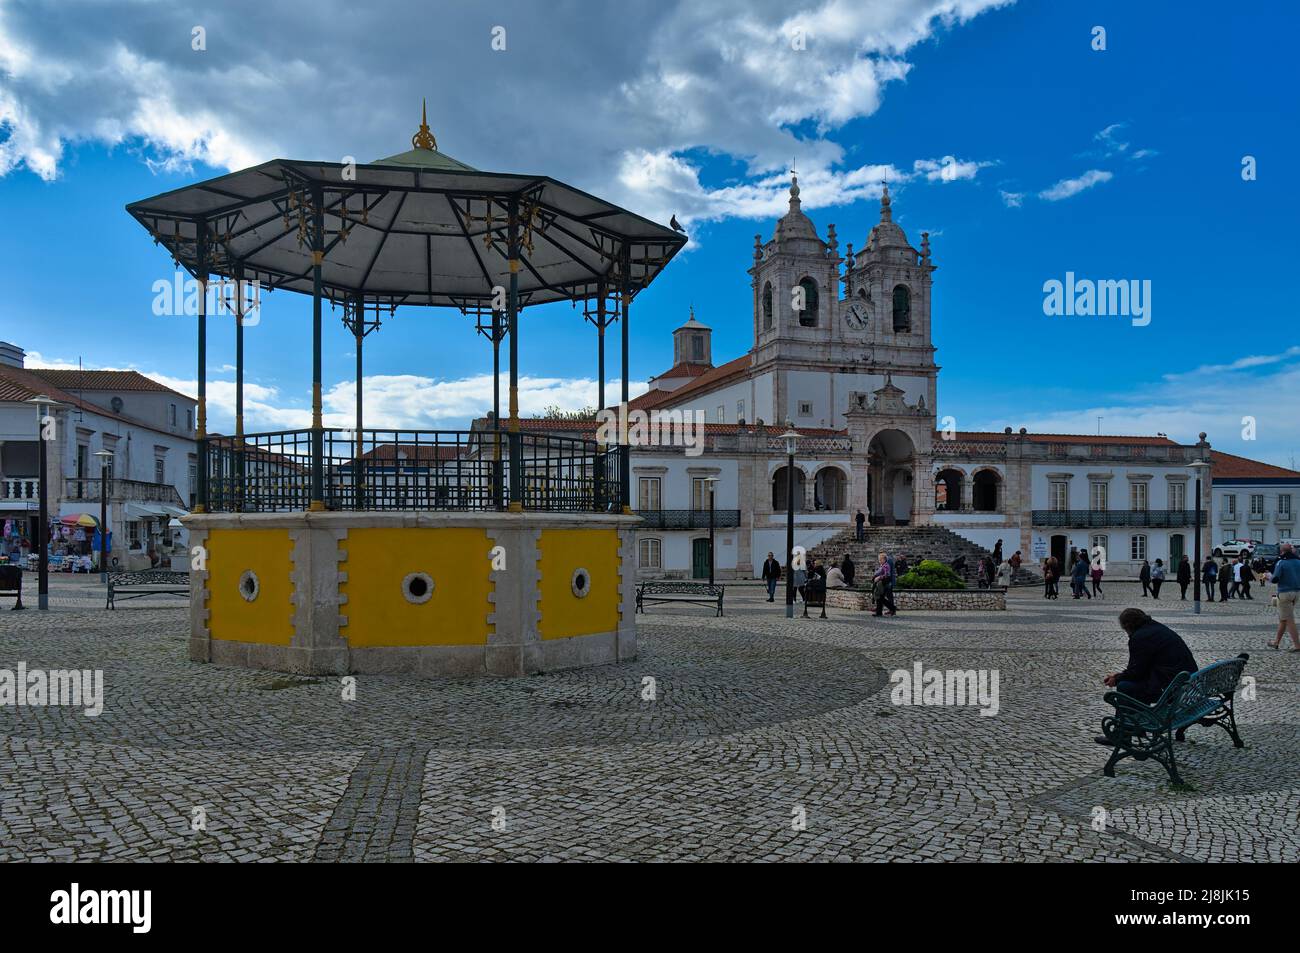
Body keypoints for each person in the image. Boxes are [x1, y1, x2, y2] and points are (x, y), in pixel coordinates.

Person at [1101, 608, 1199, 706]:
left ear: (1127, 626)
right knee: (1135, 684)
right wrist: (1118, 676)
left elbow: (1136, 673)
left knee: (1124, 686)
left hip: (1173, 687)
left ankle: (1129, 719)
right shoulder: (1156, 628)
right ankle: (1139, 717)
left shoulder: (1140, 637)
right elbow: (1140, 668)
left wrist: (1117, 679)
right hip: (1187, 681)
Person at [1264, 542, 1300, 651]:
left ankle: (1297, 645)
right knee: (1283, 619)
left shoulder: (1281, 563)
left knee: (1289, 619)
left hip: (1285, 593)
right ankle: (1276, 642)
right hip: (1296, 592)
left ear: (1282, 551)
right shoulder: (1298, 562)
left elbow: (1275, 578)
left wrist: (1267, 577)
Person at [873, 552, 896, 616]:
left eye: (880, 559)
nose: (879, 561)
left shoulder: (886, 564)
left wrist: (879, 577)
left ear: (884, 559)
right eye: (879, 560)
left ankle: (891, 608)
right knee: (880, 597)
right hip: (882, 583)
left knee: (880, 597)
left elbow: (887, 574)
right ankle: (880, 612)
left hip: (884, 583)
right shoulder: (883, 565)